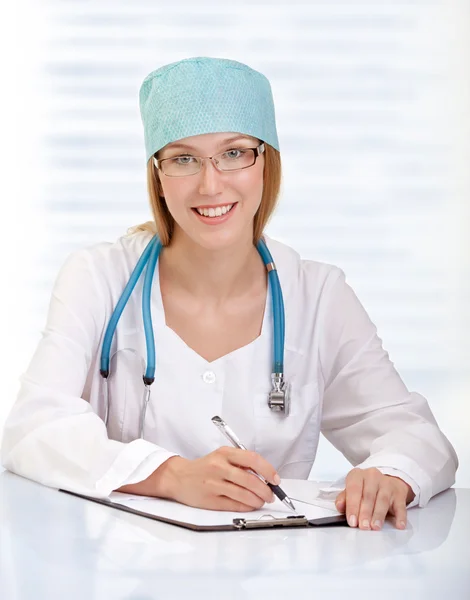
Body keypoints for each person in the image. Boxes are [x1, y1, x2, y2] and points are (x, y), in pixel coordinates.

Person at [1, 57, 458, 532]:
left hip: (270, 571)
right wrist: (170, 475)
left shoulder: (318, 294)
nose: (210, 183)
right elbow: (34, 427)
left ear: (268, 161)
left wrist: (390, 476)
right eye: (183, 158)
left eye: (235, 152)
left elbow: (417, 437)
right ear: (157, 173)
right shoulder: (98, 278)